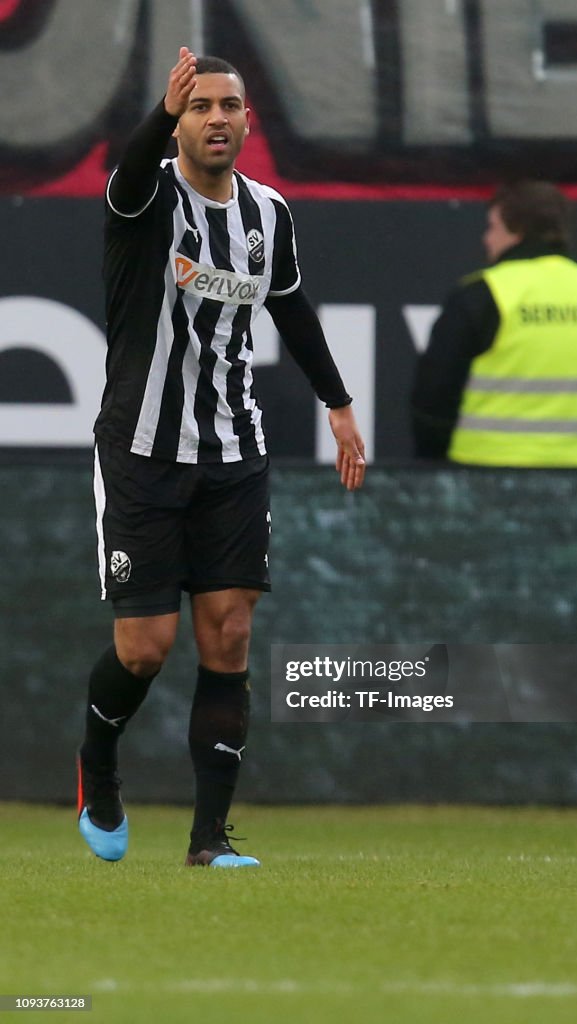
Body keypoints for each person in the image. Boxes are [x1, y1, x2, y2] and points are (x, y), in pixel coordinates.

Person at [77, 47, 365, 868]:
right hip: (142, 449)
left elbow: (292, 309)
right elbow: (129, 172)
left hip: (235, 450)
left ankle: (210, 839)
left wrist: (338, 404)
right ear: (180, 120)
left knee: (230, 634)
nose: (215, 119)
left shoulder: (269, 213)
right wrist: (153, 119)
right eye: (198, 106)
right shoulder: (146, 195)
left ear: (247, 120)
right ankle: (97, 765)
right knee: (144, 648)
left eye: (227, 106)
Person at [412, 180, 577, 466]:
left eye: (492, 227)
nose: (487, 239)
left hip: (487, 477)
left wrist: (436, 469)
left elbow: (433, 397)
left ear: (518, 231)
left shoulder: (484, 293)